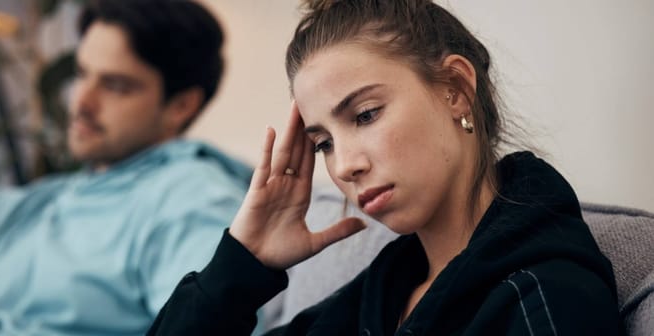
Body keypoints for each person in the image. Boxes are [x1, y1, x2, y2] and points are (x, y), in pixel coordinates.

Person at [146, 0, 622, 335]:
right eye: (323, 144)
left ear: (454, 88)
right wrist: (244, 263)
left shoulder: (547, 296)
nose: (345, 166)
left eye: (366, 115)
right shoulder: (384, 292)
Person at [0, 0, 251, 335]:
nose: (81, 101)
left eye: (114, 85)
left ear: (181, 105)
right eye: (82, 74)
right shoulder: (36, 204)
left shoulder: (191, 200)